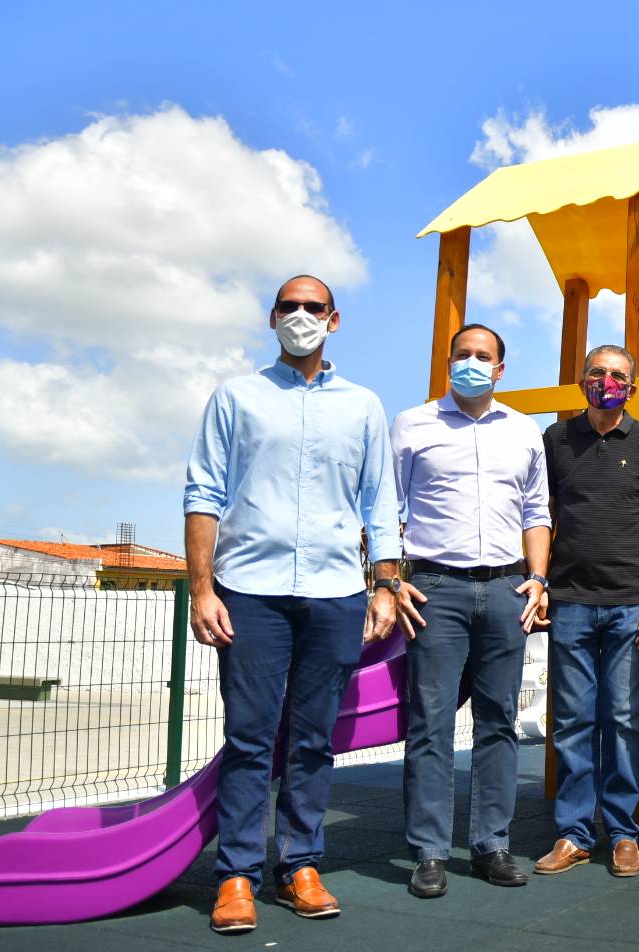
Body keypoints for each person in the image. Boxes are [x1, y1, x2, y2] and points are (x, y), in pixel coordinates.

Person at [184, 275, 401, 935]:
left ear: (333, 320)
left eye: (314, 307)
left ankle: (300, 863)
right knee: (250, 738)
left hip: (336, 592)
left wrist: (385, 583)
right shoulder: (236, 397)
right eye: (290, 306)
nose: (301, 316)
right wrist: (201, 587)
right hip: (250, 589)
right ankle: (237, 875)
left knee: (312, 740)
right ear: (272, 316)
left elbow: (380, 500)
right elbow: (203, 492)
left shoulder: (363, 405)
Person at [391, 323, 551, 898]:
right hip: (436, 588)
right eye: (463, 355)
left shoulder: (524, 430)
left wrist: (537, 579)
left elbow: (537, 509)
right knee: (430, 724)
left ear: (501, 369)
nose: (473, 364)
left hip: (508, 589)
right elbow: (386, 507)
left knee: (498, 721)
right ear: (448, 361)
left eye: (484, 357)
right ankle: (430, 852)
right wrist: (389, 580)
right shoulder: (413, 424)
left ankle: (491, 845)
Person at [533, 344, 639, 879]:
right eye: (597, 373)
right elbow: (539, 512)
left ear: (632, 387)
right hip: (568, 600)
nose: (606, 381)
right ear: (581, 379)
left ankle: (622, 832)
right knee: (570, 722)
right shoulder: (555, 439)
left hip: (632, 604)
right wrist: (540, 579)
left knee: (625, 720)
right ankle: (573, 833)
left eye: (617, 375)